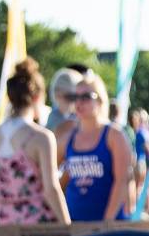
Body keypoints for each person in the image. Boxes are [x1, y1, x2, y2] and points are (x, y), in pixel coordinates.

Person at [0, 57, 70, 225]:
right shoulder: (41, 137)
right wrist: (67, 226)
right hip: (38, 226)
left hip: (4, 223)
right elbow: (50, 189)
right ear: (37, 97)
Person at [57, 70, 135, 222]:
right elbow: (53, 178)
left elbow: (122, 181)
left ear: (100, 100)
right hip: (75, 224)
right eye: (75, 97)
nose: (79, 102)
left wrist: (106, 224)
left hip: (108, 226)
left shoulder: (114, 136)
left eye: (86, 97)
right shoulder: (68, 138)